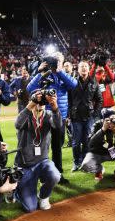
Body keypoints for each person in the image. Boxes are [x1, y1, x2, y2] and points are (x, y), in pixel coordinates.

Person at [27, 52, 77, 184]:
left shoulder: (64, 76)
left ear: (62, 62)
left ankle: (57, 174)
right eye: (54, 61)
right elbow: (29, 88)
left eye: (58, 61)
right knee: (42, 147)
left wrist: (60, 72)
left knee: (57, 147)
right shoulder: (43, 75)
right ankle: (42, 175)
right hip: (43, 116)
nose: (56, 63)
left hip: (59, 116)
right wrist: (40, 72)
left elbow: (74, 85)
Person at [13, 90, 62, 212]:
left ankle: (44, 196)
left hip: (42, 161)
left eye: (42, 101)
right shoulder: (26, 115)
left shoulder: (49, 115)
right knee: (30, 208)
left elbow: (58, 125)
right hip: (25, 165)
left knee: (55, 175)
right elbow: (18, 124)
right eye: (37, 101)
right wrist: (32, 103)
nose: (40, 104)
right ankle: (14, 189)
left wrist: (55, 106)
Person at [68, 61, 102, 171]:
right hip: (75, 116)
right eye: (81, 67)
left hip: (89, 116)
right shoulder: (72, 81)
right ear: (78, 69)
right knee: (76, 142)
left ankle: (84, 161)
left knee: (88, 141)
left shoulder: (94, 81)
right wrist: (69, 114)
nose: (84, 68)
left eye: (86, 67)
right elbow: (68, 100)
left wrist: (95, 114)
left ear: (89, 69)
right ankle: (76, 162)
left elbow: (99, 99)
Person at [81, 109, 115, 184]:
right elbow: (90, 144)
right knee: (85, 165)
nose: (113, 121)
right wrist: (103, 130)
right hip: (98, 153)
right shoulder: (97, 125)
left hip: (113, 153)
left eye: (114, 118)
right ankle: (99, 170)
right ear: (104, 120)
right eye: (110, 119)